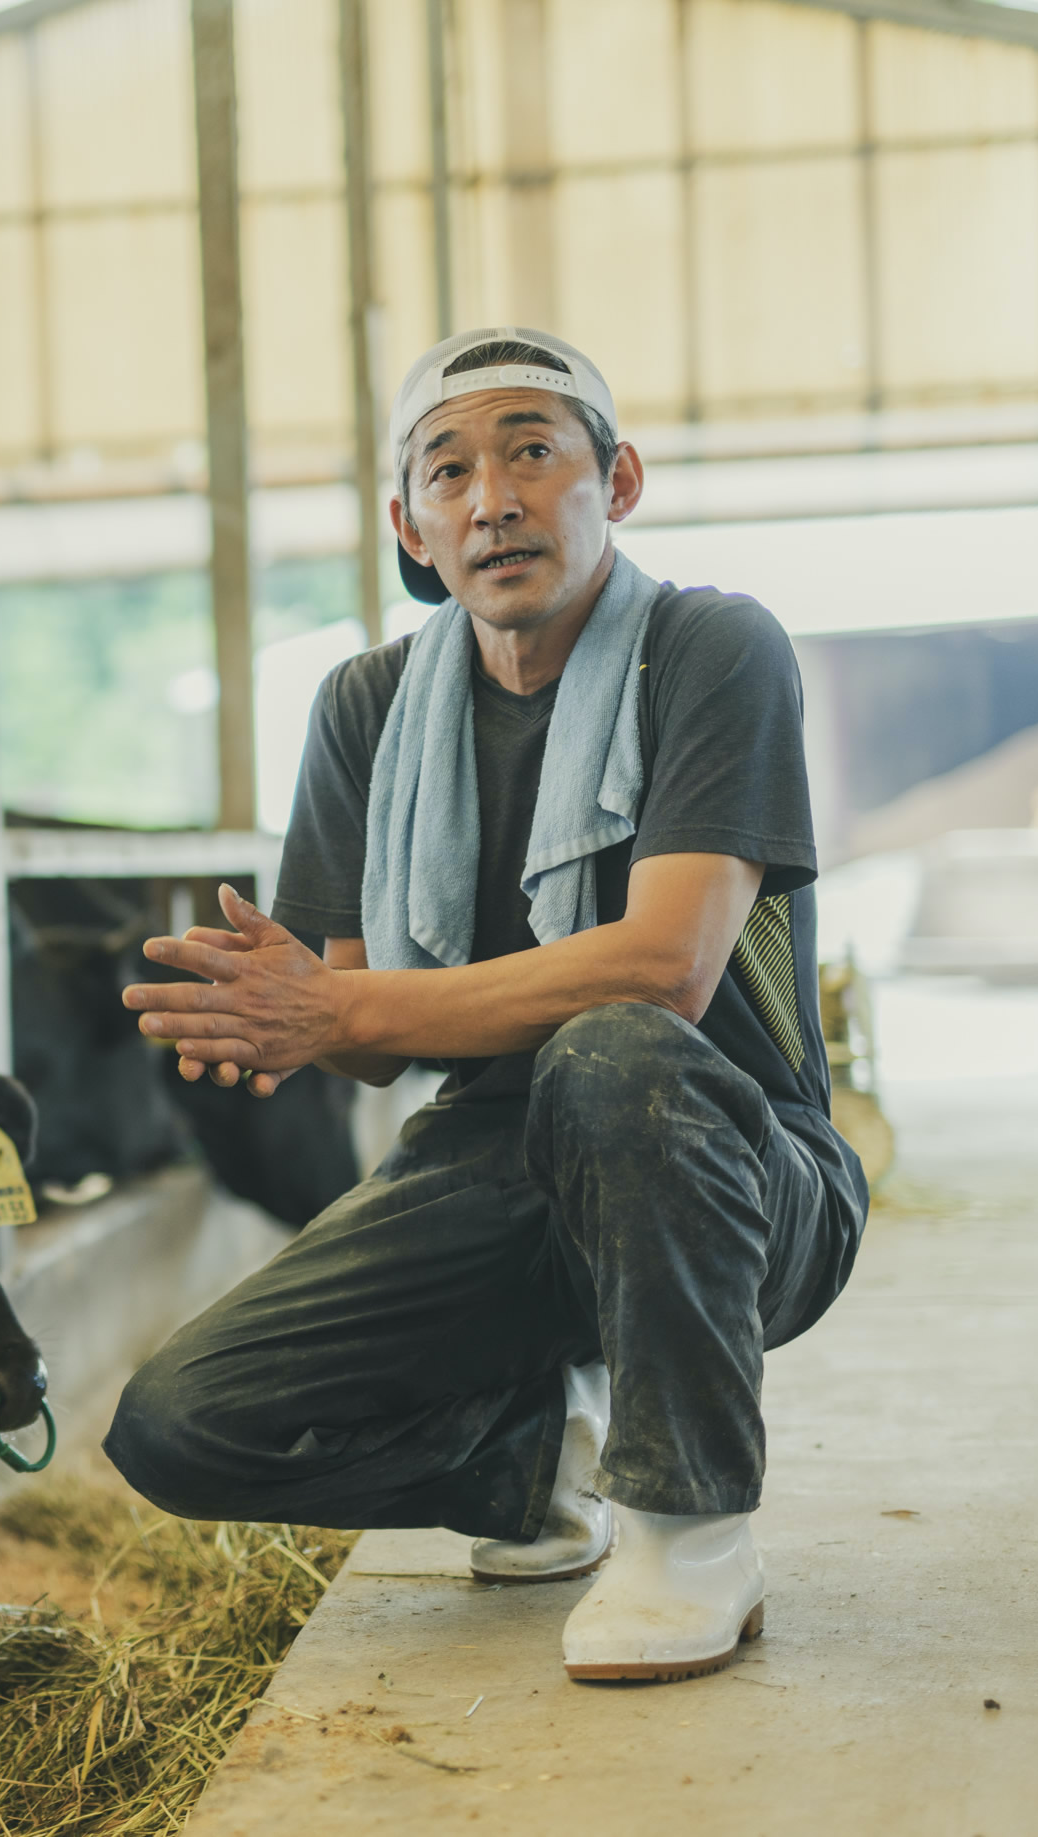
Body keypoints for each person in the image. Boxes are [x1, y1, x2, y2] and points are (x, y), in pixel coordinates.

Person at [103, 327, 866, 1683]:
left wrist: (341, 1010)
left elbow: (663, 970)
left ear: (615, 479)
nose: (493, 498)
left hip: (735, 1165)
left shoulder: (708, 649)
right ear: (410, 525)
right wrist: (287, 1018)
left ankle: (689, 1531)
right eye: (448, 471)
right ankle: (523, 1462)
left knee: (615, 1051)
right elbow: (363, 1030)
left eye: (532, 451)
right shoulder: (369, 708)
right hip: (491, 1166)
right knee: (180, 1423)